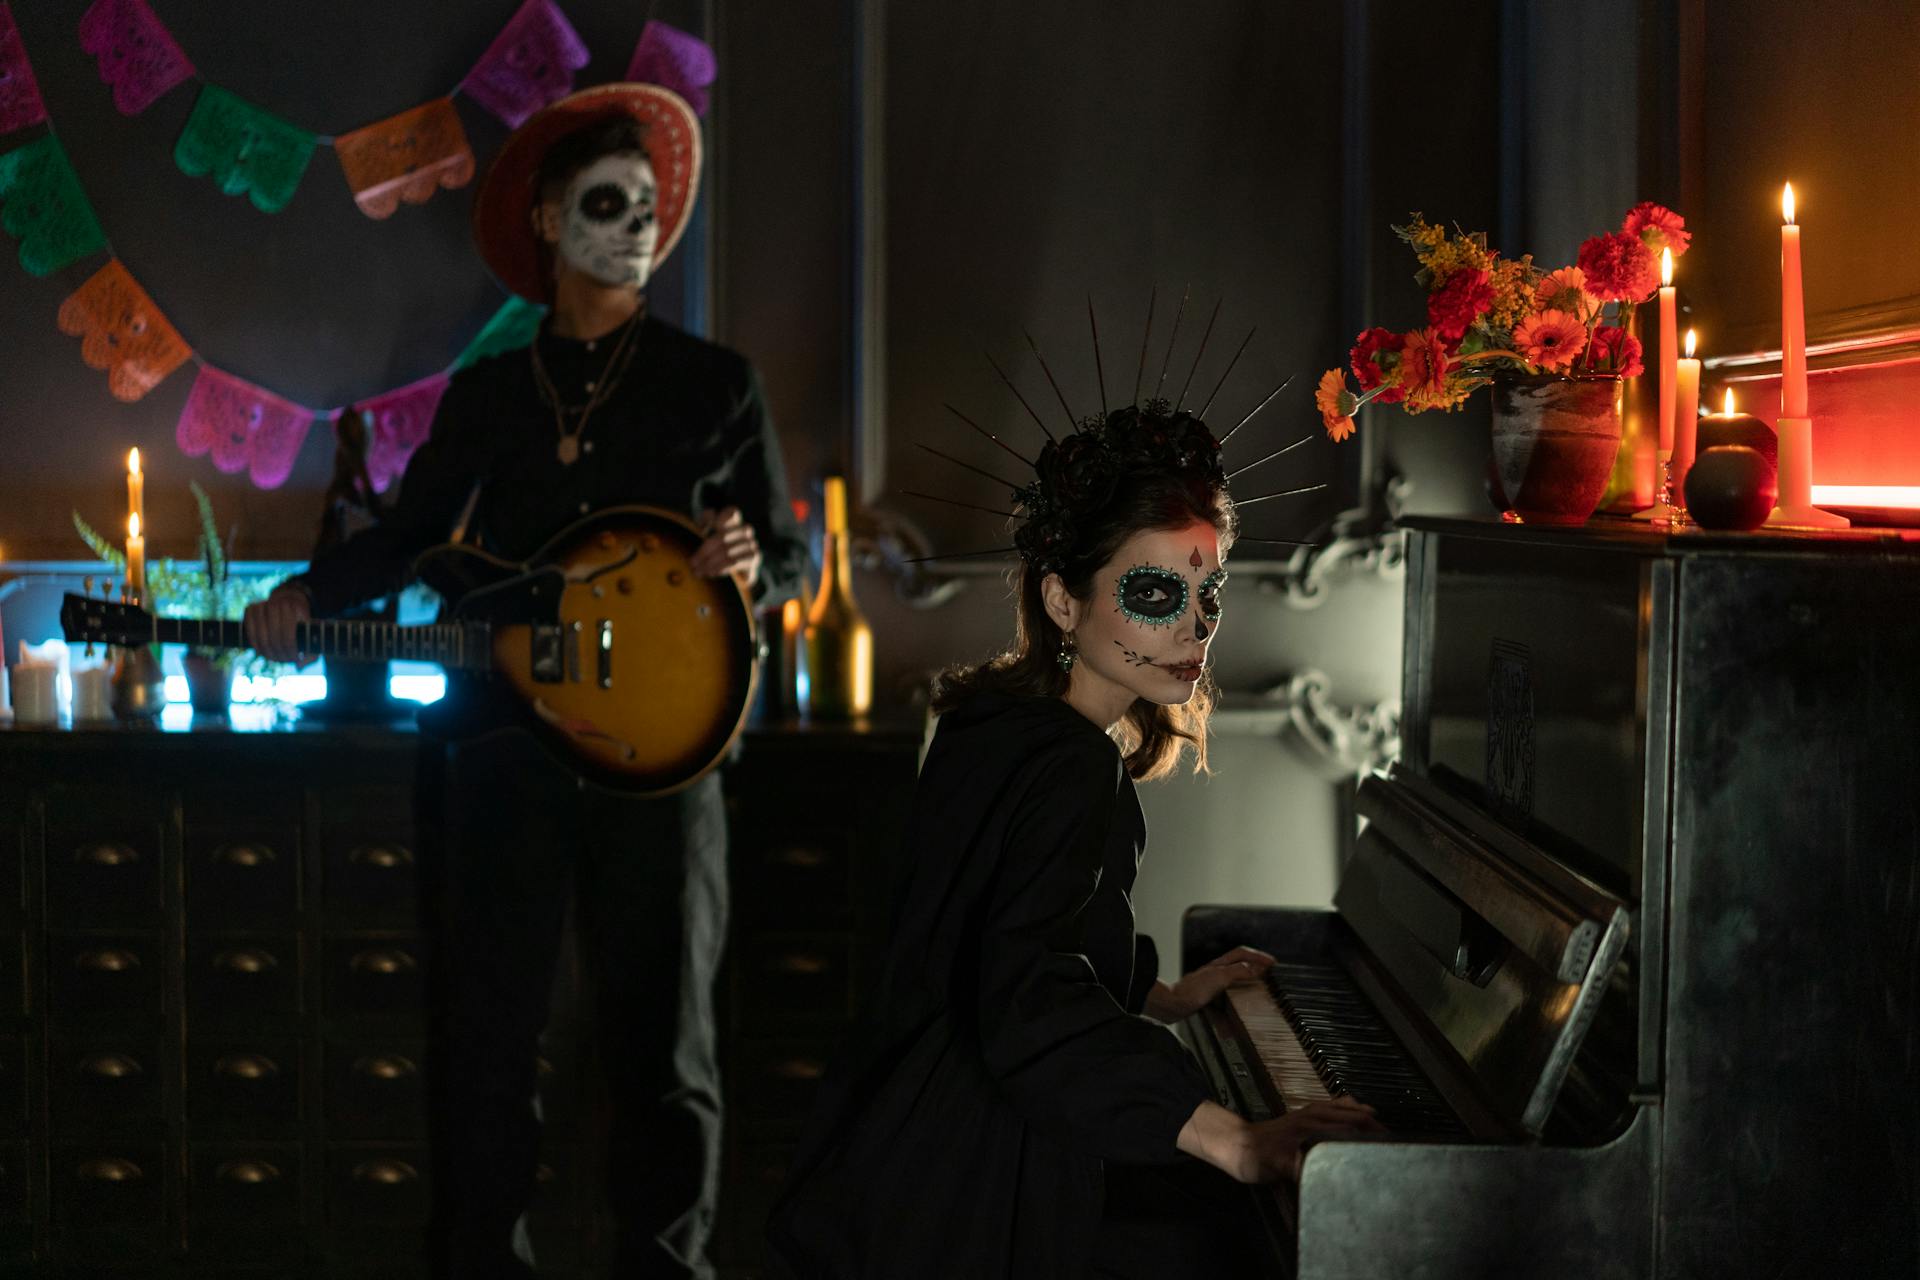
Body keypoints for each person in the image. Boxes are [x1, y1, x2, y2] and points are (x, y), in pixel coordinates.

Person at [245, 81, 806, 1279]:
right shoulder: (493, 392)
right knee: (487, 1035)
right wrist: (306, 598)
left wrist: (753, 557)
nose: (639, 227)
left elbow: (790, 550)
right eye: (609, 204)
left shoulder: (717, 383)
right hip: (505, 748)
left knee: (668, 1048)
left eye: (652, 208)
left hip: (671, 759)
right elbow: (409, 532)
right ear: (550, 222)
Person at [764, 398, 1382, 1278]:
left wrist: (1158, 995)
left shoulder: (989, 723)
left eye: (1210, 591)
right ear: (1062, 597)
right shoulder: (1069, 766)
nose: (1197, 625)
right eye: (1156, 592)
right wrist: (1238, 1142)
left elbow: (1003, 932)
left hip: (898, 1144)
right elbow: (1030, 994)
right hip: (971, 1178)